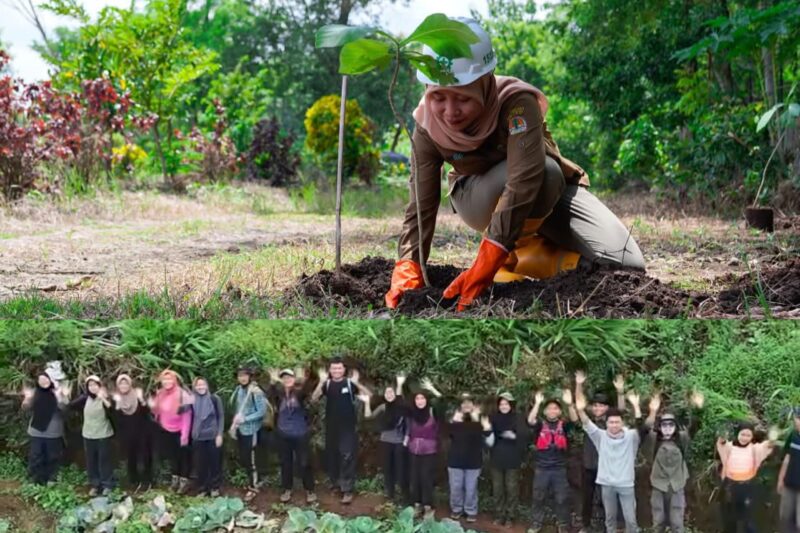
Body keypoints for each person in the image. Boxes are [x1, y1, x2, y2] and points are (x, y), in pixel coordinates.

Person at [385, 17, 644, 312]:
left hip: (545, 192)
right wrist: (409, 264)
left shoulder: (517, 102)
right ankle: (510, 250)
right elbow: (422, 203)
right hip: (479, 194)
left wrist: (490, 255)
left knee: (624, 263)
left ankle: (525, 256)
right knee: (545, 172)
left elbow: (526, 177)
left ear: (485, 81)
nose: (449, 111)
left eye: (462, 98)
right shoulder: (426, 124)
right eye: (439, 97)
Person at [575, 383, 649, 533]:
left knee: (630, 519)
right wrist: (580, 409)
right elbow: (586, 422)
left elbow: (642, 428)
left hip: (625, 484)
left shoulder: (630, 436)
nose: (614, 425)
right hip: (606, 483)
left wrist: (636, 406)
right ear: (606, 424)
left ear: (622, 423)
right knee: (609, 518)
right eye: (611, 422)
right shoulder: (600, 436)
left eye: (617, 422)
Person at [311, 357, 370, 505]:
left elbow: (368, 394)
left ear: (344, 370)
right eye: (334, 368)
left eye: (339, 368)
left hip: (348, 428)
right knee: (333, 455)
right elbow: (314, 398)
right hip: (331, 427)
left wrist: (356, 382)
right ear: (330, 370)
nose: (336, 371)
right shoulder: (328, 384)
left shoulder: (349, 384)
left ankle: (347, 489)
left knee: (347, 455)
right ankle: (336, 484)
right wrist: (321, 381)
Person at [644, 390, 705, 533]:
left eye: (670, 425)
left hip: (677, 484)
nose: (667, 428)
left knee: (677, 521)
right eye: (664, 426)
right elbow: (645, 429)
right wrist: (652, 411)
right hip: (658, 485)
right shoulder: (653, 440)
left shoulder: (682, 438)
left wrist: (698, 409)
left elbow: (695, 427)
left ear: (675, 427)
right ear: (659, 427)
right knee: (658, 521)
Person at [575, 370, 627, 532]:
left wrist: (620, 391)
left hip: (607, 467)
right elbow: (579, 405)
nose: (597, 408)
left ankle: (609, 526)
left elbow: (621, 410)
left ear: (607, 407)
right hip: (589, 465)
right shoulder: (588, 421)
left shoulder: (611, 422)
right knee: (587, 498)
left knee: (608, 499)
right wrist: (578, 384)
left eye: (601, 405)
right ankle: (586, 525)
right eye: (595, 405)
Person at [527, 390, 579, 533]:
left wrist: (569, 404)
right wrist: (537, 403)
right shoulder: (539, 425)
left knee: (561, 498)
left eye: (555, 408)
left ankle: (562, 524)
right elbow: (530, 420)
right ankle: (536, 523)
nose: (552, 410)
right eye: (549, 408)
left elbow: (576, 421)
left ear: (559, 411)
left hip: (559, 468)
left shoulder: (565, 425)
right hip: (542, 468)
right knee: (538, 497)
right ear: (544, 411)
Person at [717, 421, 779, 533]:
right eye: (742, 434)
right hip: (730, 487)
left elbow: (766, 446)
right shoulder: (730, 446)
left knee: (748, 518)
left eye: (748, 435)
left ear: (752, 436)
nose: (745, 438)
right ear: (737, 434)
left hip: (747, 487)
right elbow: (721, 443)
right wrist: (722, 436)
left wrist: (772, 438)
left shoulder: (754, 449)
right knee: (729, 519)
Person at [267, 367, 316, 504]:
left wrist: (303, 377)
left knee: (304, 462)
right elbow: (269, 395)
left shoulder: (299, 393)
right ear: (281, 380)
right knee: (285, 463)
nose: (287, 379)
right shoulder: (279, 394)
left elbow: (307, 389)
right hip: (283, 434)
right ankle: (287, 489)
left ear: (294, 379)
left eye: (289, 377)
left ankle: (310, 490)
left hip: (300, 433)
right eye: (284, 377)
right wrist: (272, 381)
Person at [363, 373, 410, 503]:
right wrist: (367, 403)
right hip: (385, 441)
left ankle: (403, 495)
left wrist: (399, 384)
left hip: (399, 442)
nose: (389, 395)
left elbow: (400, 399)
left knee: (400, 469)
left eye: (391, 392)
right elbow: (369, 416)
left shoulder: (400, 406)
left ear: (395, 394)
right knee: (388, 468)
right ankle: (390, 494)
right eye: (387, 393)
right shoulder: (383, 407)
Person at [448, 393, 492, 524]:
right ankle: (456, 509)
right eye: (464, 403)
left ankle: (471, 511)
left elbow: (487, 433)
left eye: (469, 402)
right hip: (455, 460)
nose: (466, 405)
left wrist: (476, 419)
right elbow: (449, 433)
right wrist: (456, 421)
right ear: (460, 405)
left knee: (471, 488)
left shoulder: (481, 419)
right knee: (456, 487)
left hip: (473, 461)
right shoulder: (455, 419)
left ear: (473, 405)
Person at [69, 375, 116, 496]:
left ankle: (107, 484)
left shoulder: (106, 398)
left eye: (95, 385)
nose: (93, 387)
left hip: (103, 434)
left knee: (104, 460)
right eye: (90, 385)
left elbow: (113, 411)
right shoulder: (85, 399)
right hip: (88, 435)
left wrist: (104, 398)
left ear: (100, 386)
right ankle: (95, 484)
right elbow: (72, 405)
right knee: (91, 461)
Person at [229, 365, 269, 502]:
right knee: (244, 458)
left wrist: (245, 419)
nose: (242, 378)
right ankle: (252, 482)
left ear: (250, 376)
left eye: (245, 375)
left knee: (251, 459)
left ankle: (254, 487)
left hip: (251, 430)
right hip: (240, 429)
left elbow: (261, 412)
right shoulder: (238, 390)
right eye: (240, 376)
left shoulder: (256, 391)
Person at [404, 378, 443, 519]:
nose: (420, 401)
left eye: (422, 398)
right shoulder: (412, 413)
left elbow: (442, 401)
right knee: (415, 478)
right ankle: (417, 505)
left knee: (426, 478)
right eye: (417, 399)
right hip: (414, 450)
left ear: (426, 400)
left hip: (429, 451)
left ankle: (428, 506)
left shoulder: (433, 411)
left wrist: (432, 388)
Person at [22, 372, 70, 485]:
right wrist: (27, 400)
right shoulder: (35, 393)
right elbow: (25, 408)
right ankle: (36, 479)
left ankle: (51, 478)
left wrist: (59, 398)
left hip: (53, 431)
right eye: (41, 380)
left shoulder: (58, 392)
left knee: (52, 456)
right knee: (36, 455)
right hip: (36, 430)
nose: (44, 382)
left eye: (46, 379)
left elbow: (65, 408)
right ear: (38, 382)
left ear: (51, 380)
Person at [149, 369, 193, 494]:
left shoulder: (182, 394)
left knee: (183, 457)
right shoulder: (161, 394)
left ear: (174, 380)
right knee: (173, 456)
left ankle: (184, 482)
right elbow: (156, 411)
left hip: (180, 431)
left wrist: (185, 435)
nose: (167, 382)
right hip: (166, 430)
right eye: (164, 380)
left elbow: (187, 416)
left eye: (169, 379)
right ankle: (175, 479)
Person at [487, 392, 525, 526]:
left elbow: (524, 436)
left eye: (506, 404)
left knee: (511, 488)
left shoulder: (518, 418)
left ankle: (511, 516)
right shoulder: (493, 417)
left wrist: (513, 436)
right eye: (501, 404)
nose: (504, 406)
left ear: (511, 405)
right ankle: (499, 515)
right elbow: (488, 435)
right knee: (497, 489)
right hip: (496, 458)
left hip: (512, 458)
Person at [112, 374, 154, 492]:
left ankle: (147, 481)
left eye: (126, 383)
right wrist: (117, 406)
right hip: (127, 434)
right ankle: (134, 481)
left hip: (142, 433)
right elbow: (115, 419)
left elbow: (147, 412)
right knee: (131, 457)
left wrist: (141, 400)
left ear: (130, 384)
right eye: (121, 383)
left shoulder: (137, 396)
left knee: (145, 457)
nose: (123, 385)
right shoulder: (117, 399)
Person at [191, 377, 224, 497]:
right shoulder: (191, 400)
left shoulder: (214, 399)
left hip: (212, 435)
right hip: (198, 437)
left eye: (203, 384)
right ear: (194, 387)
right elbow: (183, 412)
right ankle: (203, 488)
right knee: (201, 464)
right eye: (198, 385)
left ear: (207, 385)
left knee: (215, 463)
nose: (201, 387)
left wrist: (219, 434)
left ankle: (215, 487)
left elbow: (221, 417)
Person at [778, 407, 800, 533]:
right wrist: (781, 478)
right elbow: (787, 457)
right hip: (789, 484)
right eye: (798, 418)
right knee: (785, 518)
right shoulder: (792, 435)